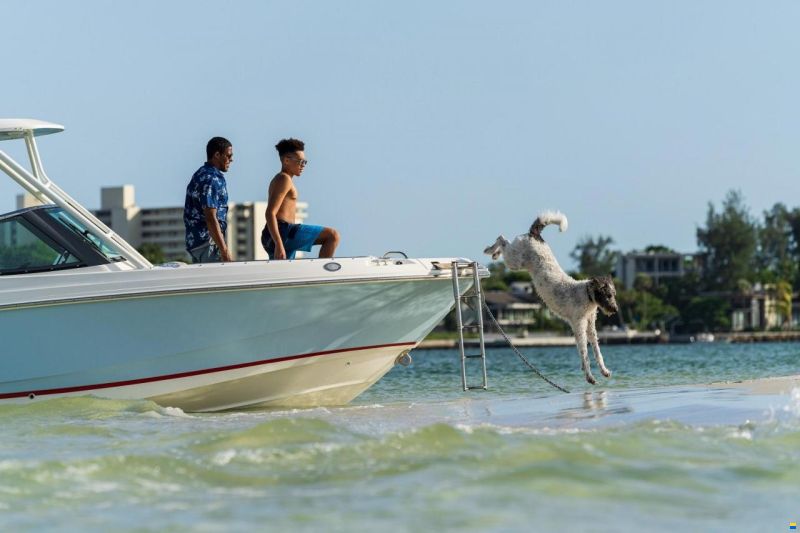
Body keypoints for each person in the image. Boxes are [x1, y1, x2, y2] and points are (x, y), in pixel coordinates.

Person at [262, 138, 340, 259]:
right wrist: (278, 243)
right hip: (283, 232)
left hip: (278, 235)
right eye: (300, 161)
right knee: (332, 236)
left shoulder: (280, 179)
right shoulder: (284, 179)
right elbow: (270, 213)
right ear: (286, 160)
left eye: (305, 162)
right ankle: (322, 275)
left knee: (285, 274)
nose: (303, 165)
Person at [184, 137, 234, 263]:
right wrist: (224, 250)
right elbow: (211, 217)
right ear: (217, 155)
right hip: (207, 243)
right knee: (221, 281)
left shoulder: (200, 173)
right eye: (228, 156)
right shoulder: (211, 179)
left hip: (198, 243)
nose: (231, 160)